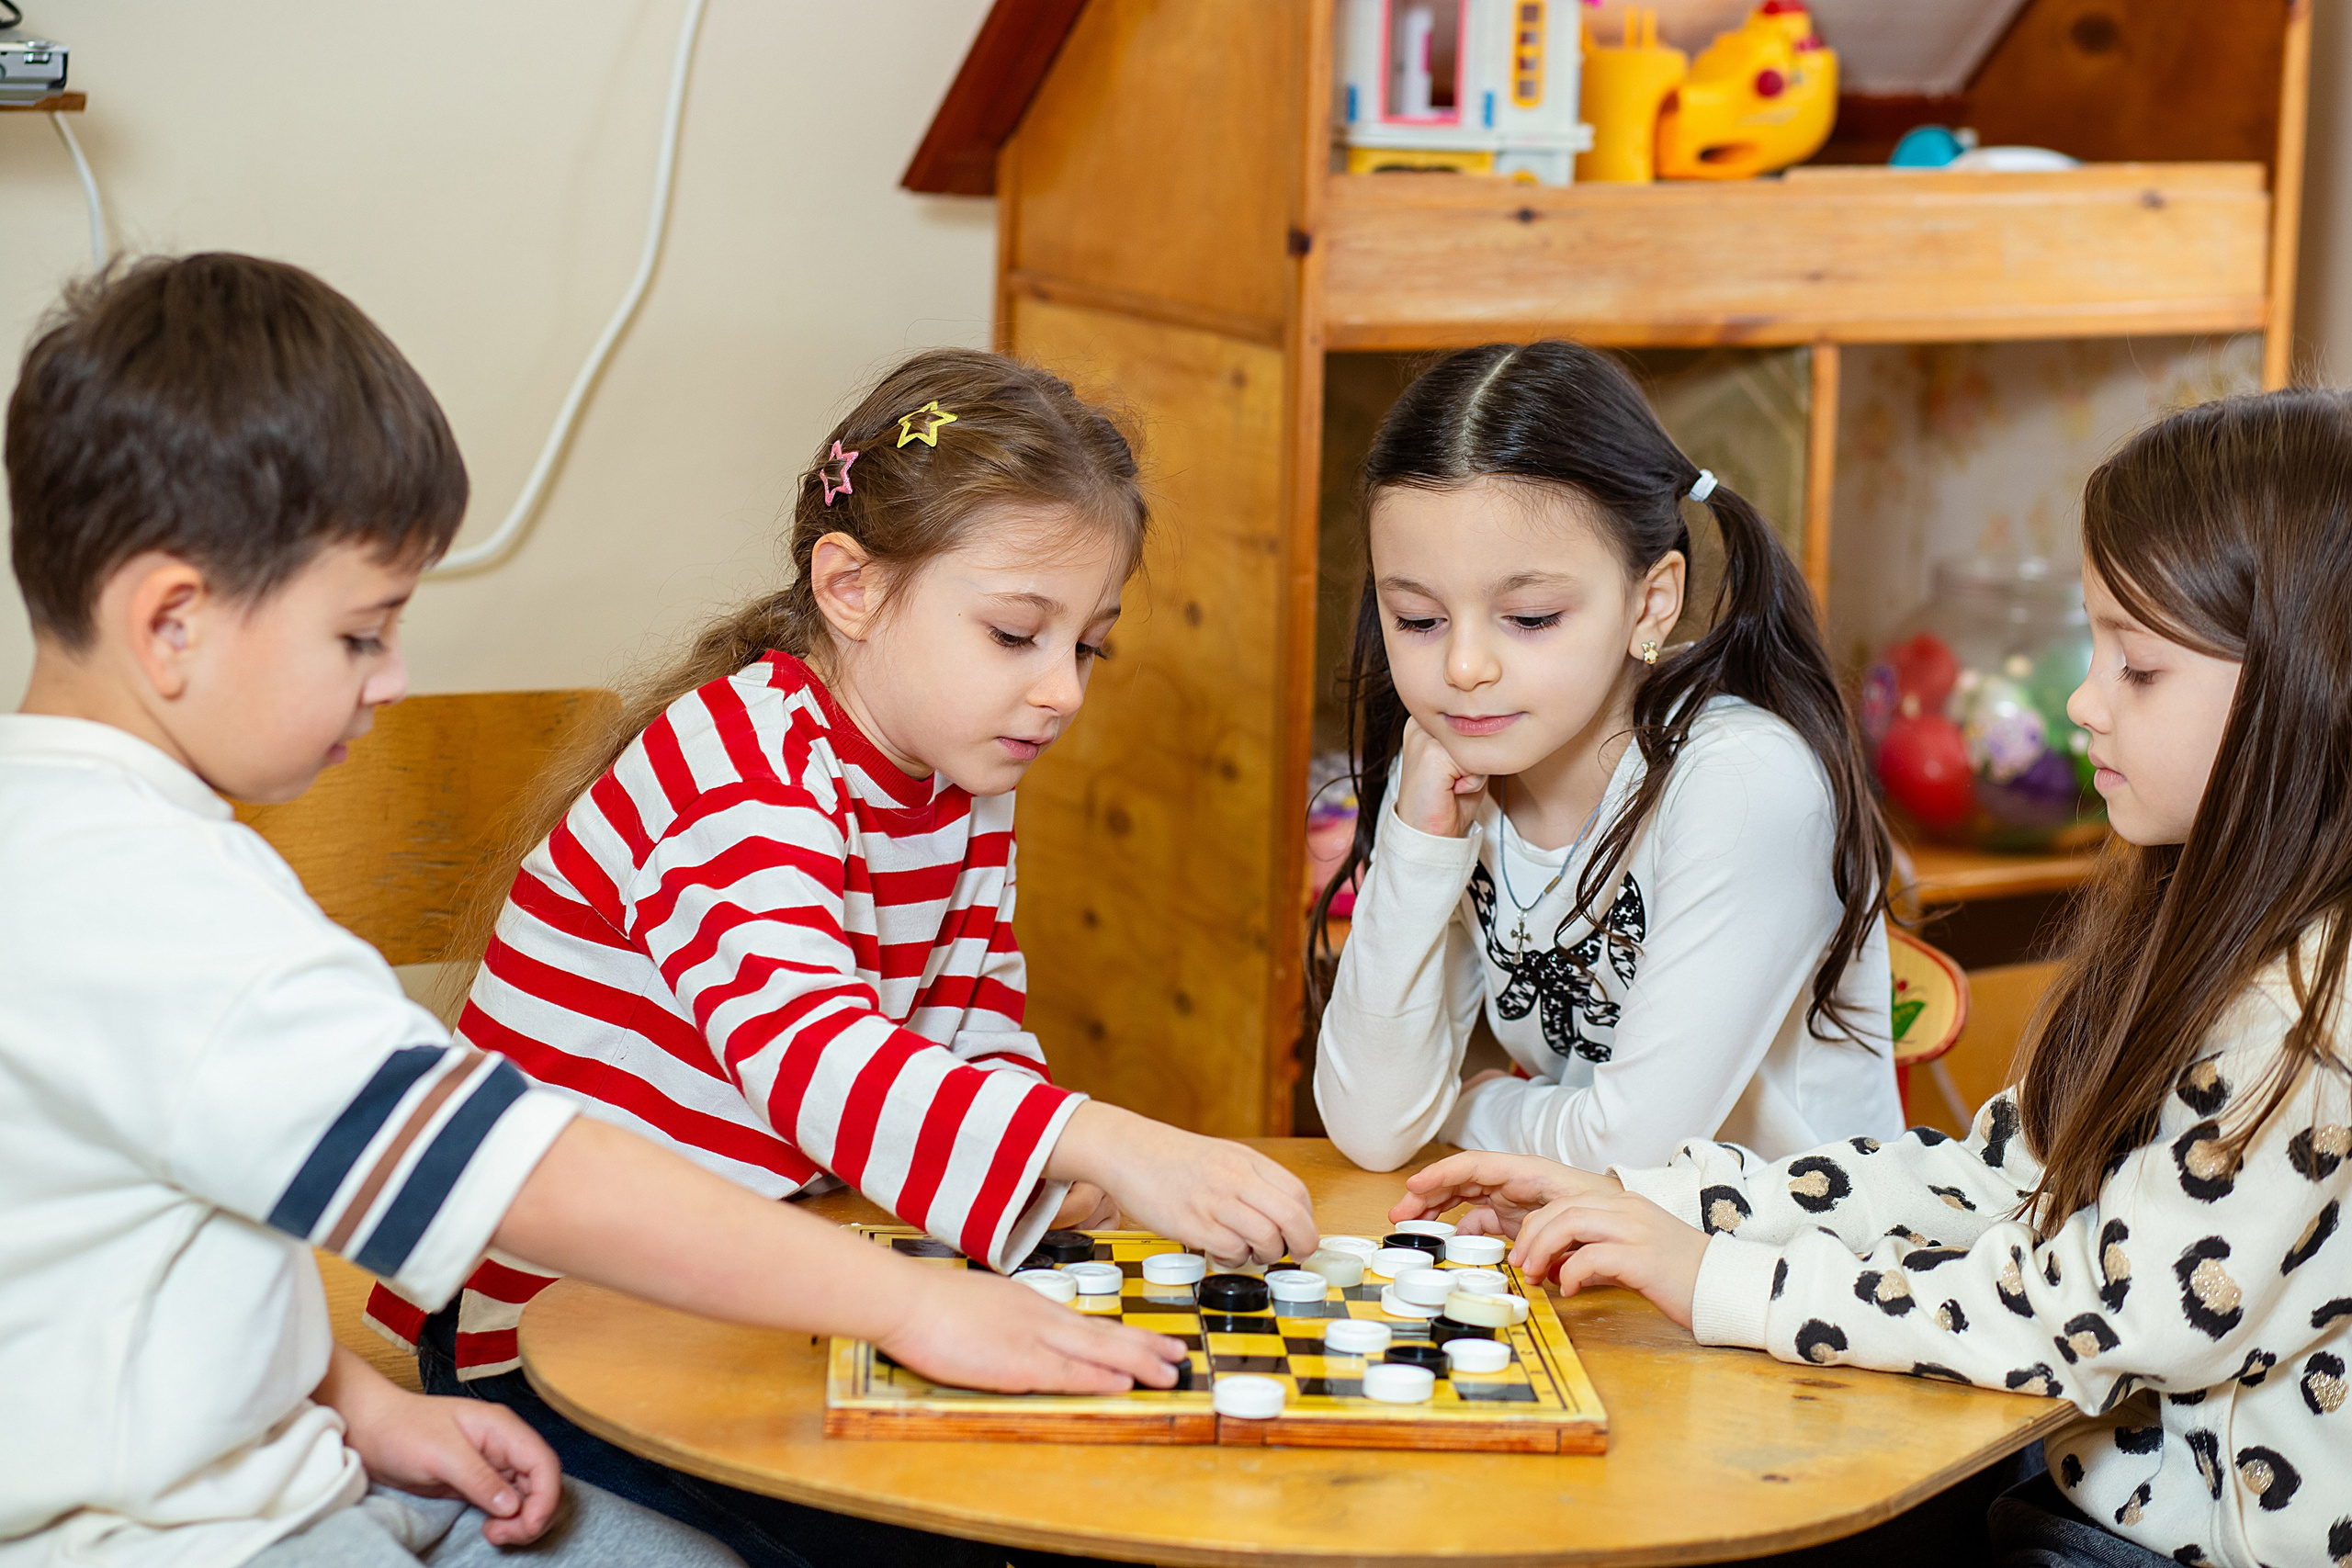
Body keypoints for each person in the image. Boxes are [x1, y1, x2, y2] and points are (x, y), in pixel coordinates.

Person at [1, 254, 1184, 1568]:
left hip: (305, 1461)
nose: (394, 679)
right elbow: (524, 1166)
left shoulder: (108, 852)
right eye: (361, 633)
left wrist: (363, 1403)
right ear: (171, 622)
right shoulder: (152, 914)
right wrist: (916, 1300)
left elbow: (155, 1249)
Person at [364, 346, 1319, 1559]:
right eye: (1017, 632)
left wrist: (1045, 1178)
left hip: (766, 1288)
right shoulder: (736, 769)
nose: (1063, 690)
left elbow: (977, 1023)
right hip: (556, 1328)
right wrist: (1101, 1135)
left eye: (1089, 645)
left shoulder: (959, 773)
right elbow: (819, 1059)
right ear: (851, 587)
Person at [1393, 389, 2352, 1568]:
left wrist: (1718, 1281)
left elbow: (2078, 1322)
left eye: (2137, 668)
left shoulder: (2309, 1016)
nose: (2081, 702)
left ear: (2307, 690)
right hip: (2076, 1485)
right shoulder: (2199, 926)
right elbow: (1999, 1181)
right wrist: (1657, 1208)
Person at [1313, 340, 1901, 1175]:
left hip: (1799, 1268)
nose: (1464, 668)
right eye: (1417, 618)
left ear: (1650, 603)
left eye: (1531, 617)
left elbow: (1632, 1146)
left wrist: (1468, 1103)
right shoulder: (1457, 768)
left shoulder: (1744, 783)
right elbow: (1372, 1127)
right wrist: (1418, 842)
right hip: (1614, 1257)